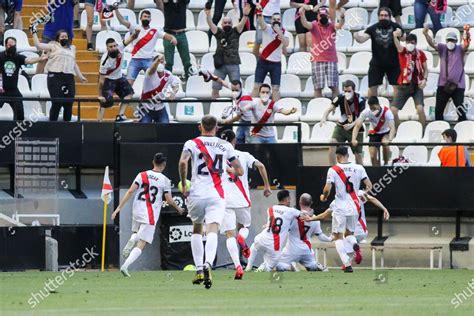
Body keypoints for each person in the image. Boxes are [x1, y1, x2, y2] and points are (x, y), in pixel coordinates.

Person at [178, 115, 243, 289]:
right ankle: (208, 263)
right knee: (213, 228)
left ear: (200, 127)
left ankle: (199, 268)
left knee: (197, 229)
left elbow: (183, 162)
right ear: (217, 128)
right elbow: (240, 170)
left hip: (196, 193)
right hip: (216, 194)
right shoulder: (226, 145)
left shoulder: (192, 143)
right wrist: (233, 174)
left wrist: (184, 184)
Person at [111, 153, 184, 277]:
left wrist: (118, 208)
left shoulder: (142, 175)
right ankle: (125, 266)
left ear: (153, 162)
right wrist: (179, 209)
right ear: (164, 165)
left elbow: (130, 191)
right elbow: (169, 200)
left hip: (137, 209)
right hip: (150, 214)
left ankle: (133, 237)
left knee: (136, 232)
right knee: (141, 243)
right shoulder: (165, 180)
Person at [219, 129, 272, 279]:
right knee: (244, 227)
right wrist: (267, 186)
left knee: (229, 234)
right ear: (234, 141)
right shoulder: (244, 155)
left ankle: (237, 266)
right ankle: (242, 238)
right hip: (242, 199)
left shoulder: (216, 158)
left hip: (224, 200)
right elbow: (261, 166)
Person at [320, 145, 372, 272]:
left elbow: (327, 188)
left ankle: (347, 264)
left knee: (338, 236)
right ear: (348, 155)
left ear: (337, 156)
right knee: (349, 233)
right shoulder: (359, 168)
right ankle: (355, 244)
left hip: (340, 207)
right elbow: (369, 185)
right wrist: (364, 195)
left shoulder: (333, 170)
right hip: (354, 206)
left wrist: (324, 197)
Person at [31, 27, 88, 121]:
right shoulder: (53, 45)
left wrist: (80, 76)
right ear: (58, 38)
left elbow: (74, 63)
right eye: (62, 37)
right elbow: (38, 45)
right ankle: (53, 125)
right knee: (57, 102)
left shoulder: (72, 48)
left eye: (66, 36)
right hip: (55, 76)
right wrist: (33, 32)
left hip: (69, 77)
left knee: (69, 103)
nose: (64, 38)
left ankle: (66, 126)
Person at [115, 9, 177, 86]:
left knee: (154, 85)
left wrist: (172, 38)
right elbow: (122, 21)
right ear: (140, 18)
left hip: (148, 61)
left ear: (150, 20)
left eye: (148, 17)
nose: (146, 18)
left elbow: (166, 36)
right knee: (128, 86)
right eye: (145, 16)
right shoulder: (135, 27)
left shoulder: (155, 31)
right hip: (135, 61)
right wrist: (116, 10)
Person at [245, 190, 301, 272]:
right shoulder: (291, 211)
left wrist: (267, 225)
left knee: (254, 246)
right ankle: (267, 266)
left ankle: (248, 267)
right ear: (287, 199)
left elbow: (273, 222)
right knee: (268, 268)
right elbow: (304, 215)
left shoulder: (270, 209)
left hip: (263, 238)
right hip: (275, 246)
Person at [353, 7, 403, 98]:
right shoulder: (372, 28)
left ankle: (394, 110)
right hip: (377, 63)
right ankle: (373, 108)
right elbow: (362, 39)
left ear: (390, 17)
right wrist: (356, 36)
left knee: (397, 87)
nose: (383, 17)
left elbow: (404, 38)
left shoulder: (396, 27)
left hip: (394, 63)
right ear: (378, 16)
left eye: (385, 15)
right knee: (372, 87)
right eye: (381, 15)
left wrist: (400, 34)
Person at [275, 193, 331, 272]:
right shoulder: (315, 218)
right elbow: (320, 236)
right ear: (311, 203)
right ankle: (315, 265)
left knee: (277, 265)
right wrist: (330, 239)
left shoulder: (293, 216)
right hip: (307, 251)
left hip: (291, 250)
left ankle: (290, 266)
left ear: (299, 202)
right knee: (311, 265)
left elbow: (282, 227)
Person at [299, 0, 344, 98]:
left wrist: (342, 17)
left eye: (324, 16)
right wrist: (302, 15)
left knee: (334, 86)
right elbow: (305, 24)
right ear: (318, 16)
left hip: (331, 59)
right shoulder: (314, 24)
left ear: (327, 16)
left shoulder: (331, 24)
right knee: (318, 87)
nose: (322, 18)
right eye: (321, 16)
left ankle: (336, 107)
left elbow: (339, 26)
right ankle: (318, 107)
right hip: (317, 59)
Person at [424, 28, 469, 122]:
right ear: (446, 41)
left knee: (460, 109)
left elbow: (466, 44)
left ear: (456, 41)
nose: (450, 42)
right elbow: (432, 43)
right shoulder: (442, 48)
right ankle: (441, 128)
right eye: (448, 40)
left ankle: (463, 127)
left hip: (458, 85)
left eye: (452, 40)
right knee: (438, 110)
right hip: (443, 85)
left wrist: (467, 34)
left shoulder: (460, 49)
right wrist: (426, 34)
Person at [206, 4, 250, 99]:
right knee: (215, 89)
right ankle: (215, 108)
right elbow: (210, 24)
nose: (227, 24)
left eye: (229, 23)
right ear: (221, 25)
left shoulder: (236, 31)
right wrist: (208, 15)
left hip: (233, 64)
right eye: (225, 23)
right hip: (220, 65)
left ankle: (237, 109)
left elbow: (242, 23)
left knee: (237, 90)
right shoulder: (218, 32)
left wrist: (245, 15)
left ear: (232, 24)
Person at [0, 37, 46, 120]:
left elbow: (29, 60)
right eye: (10, 45)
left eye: (14, 45)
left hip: (13, 90)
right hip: (2, 89)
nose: (12, 47)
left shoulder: (17, 57)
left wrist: (40, 59)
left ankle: (17, 129)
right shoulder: (1, 56)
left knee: (19, 112)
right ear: (6, 45)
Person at [321, 80, 366, 165]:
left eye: (349, 91)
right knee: (332, 142)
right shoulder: (340, 97)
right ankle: (333, 168)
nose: (347, 93)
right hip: (341, 127)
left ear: (354, 90)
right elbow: (330, 108)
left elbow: (361, 117)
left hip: (356, 128)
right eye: (345, 91)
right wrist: (324, 117)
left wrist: (351, 125)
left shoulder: (361, 100)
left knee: (358, 154)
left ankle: (361, 174)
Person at [252, 8, 289, 101]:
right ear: (271, 20)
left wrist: (279, 31)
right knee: (257, 86)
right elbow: (261, 23)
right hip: (263, 61)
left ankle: (276, 111)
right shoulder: (267, 28)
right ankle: (250, 109)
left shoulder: (285, 32)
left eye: (278, 19)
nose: (276, 21)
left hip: (276, 64)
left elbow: (286, 43)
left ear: (281, 21)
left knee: (275, 88)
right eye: (274, 19)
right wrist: (260, 13)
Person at [392, 31, 427, 128]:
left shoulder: (421, 54)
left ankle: (423, 130)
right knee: (393, 111)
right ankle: (397, 129)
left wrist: (425, 79)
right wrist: (395, 37)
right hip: (404, 85)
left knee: (420, 109)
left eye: (412, 42)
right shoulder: (403, 52)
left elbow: (426, 69)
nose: (409, 44)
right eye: (408, 42)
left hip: (417, 85)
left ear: (416, 43)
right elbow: (397, 45)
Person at [97, 38, 135, 122]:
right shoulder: (104, 61)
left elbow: (131, 38)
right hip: (108, 80)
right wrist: (100, 95)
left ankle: (120, 116)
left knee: (129, 93)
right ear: (107, 49)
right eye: (111, 47)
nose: (114, 48)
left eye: (115, 46)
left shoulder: (120, 48)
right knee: (105, 102)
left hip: (119, 77)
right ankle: (99, 122)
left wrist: (136, 33)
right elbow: (101, 80)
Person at [352, 96, 396, 166]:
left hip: (385, 132)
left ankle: (386, 164)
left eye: (374, 108)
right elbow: (357, 126)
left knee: (385, 143)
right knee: (372, 155)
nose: (373, 110)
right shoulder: (366, 112)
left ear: (378, 105)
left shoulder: (387, 112)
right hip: (374, 133)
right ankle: (376, 169)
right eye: (371, 108)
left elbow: (392, 128)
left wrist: (390, 139)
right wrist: (353, 139)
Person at [138, 54, 181, 123]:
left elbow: (175, 85)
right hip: (146, 107)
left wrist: (173, 92)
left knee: (164, 126)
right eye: (158, 62)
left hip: (160, 107)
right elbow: (151, 70)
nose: (160, 64)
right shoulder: (149, 72)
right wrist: (158, 60)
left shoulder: (168, 74)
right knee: (144, 127)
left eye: (162, 62)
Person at [36, 0, 76, 74]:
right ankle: (36, 78)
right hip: (50, 31)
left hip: (66, 32)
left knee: (64, 58)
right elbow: (51, 3)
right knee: (43, 58)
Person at [162, 0, 192, 80]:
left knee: (187, 62)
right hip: (169, 34)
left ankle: (189, 81)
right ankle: (167, 83)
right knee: (169, 62)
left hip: (181, 34)